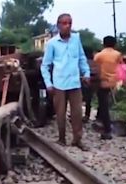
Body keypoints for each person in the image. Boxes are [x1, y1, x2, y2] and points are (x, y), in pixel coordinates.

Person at [40, 13, 91, 151]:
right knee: (60, 113)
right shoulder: (52, 44)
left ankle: (77, 139)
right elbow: (45, 66)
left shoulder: (76, 39)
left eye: (69, 23)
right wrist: (48, 84)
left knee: (77, 113)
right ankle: (61, 138)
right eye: (64, 23)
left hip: (75, 82)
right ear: (58, 26)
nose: (67, 26)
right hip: (59, 84)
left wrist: (86, 73)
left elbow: (81, 58)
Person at [93, 36, 122, 139]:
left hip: (102, 81)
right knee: (105, 102)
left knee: (103, 104)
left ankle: (107, 129)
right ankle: (99, 119)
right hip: (113, 81)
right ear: (114, 44)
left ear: (104, 44)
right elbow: (120, 65)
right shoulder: (118, 54)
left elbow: (95, 68)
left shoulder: (99, 55)